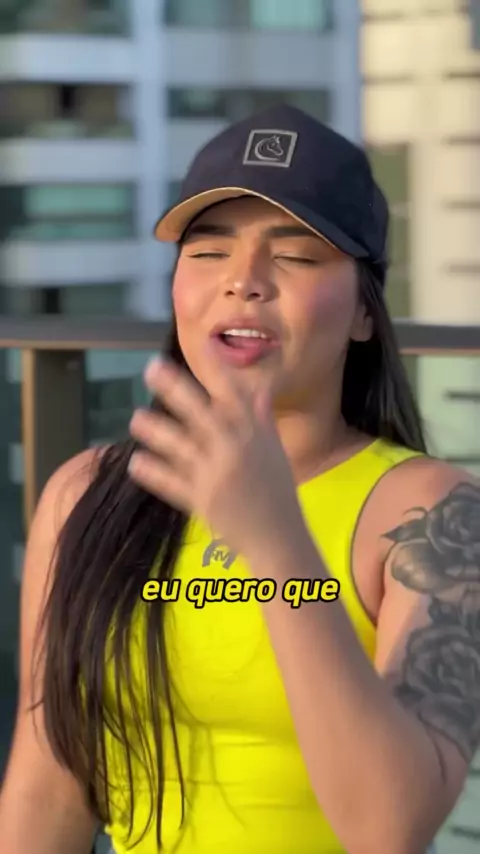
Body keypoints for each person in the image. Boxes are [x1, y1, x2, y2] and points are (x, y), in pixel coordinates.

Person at [0, 104, 478, 854]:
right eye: (209, 251)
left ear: (364, 313)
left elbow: (390, 827)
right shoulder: (85, 495)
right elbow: (45, 790)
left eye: (296, 256)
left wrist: (276, 540)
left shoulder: (431, 513)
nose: (244, 282)